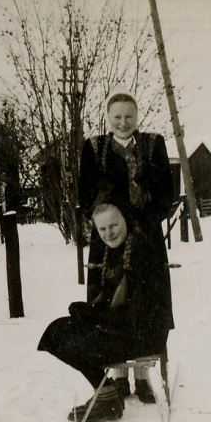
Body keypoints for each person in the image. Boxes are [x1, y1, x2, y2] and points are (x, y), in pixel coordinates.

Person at [37, 195, 173, 422]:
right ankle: (107, 393)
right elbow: (111, 301)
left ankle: (108, 398)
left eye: (114, 226)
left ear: (125, 221)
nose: (109, 233)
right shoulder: (114, 251)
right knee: (59, 331)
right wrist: (88, 310)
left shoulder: (142, 251)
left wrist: (93, 316)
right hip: (126, 329)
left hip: (146, 335)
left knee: (66, 336)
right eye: (102, 229)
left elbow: (138, 314)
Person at [77, 88, 175, 402]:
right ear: (108, 119)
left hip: (146, 239)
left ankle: (143, 377)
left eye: (129, 117)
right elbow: (86, 197)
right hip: (107, 242)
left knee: (145, 305)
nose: (123, 123)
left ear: (137, 117)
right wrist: (111, 223)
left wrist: (142, 225)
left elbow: (166, 195)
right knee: (110, 306)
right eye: (117, 117)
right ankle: (117, 378)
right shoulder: (93, 148)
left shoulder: (153, 145)